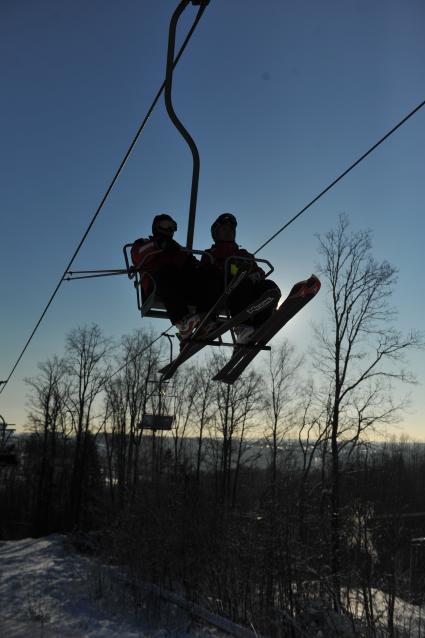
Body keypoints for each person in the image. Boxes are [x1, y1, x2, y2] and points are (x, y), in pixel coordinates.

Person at [131, 214, 220, 339]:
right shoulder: (144, 243)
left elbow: (192, 263)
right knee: (168, 270)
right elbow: (138, 254)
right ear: (156, 227)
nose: (169, 229)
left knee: (207, 273)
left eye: (172, 227)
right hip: (157, 284)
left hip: (179, 285)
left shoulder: (177, 248)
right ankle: (182, 321)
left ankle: (205, 316)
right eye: (165, 225)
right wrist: (158, 245)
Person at [200, 213, 281, 343]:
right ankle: (243, 327)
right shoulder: (210, 254)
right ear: (216, 232)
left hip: (248, 288)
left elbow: (258, 270)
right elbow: (205, 274)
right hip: (227, 291)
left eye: (232, 230)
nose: (229, 233)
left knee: (269, 286)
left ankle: (260, 324)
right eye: (225, 230)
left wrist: (256, 275)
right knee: (241, 282)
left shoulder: (243, 254)